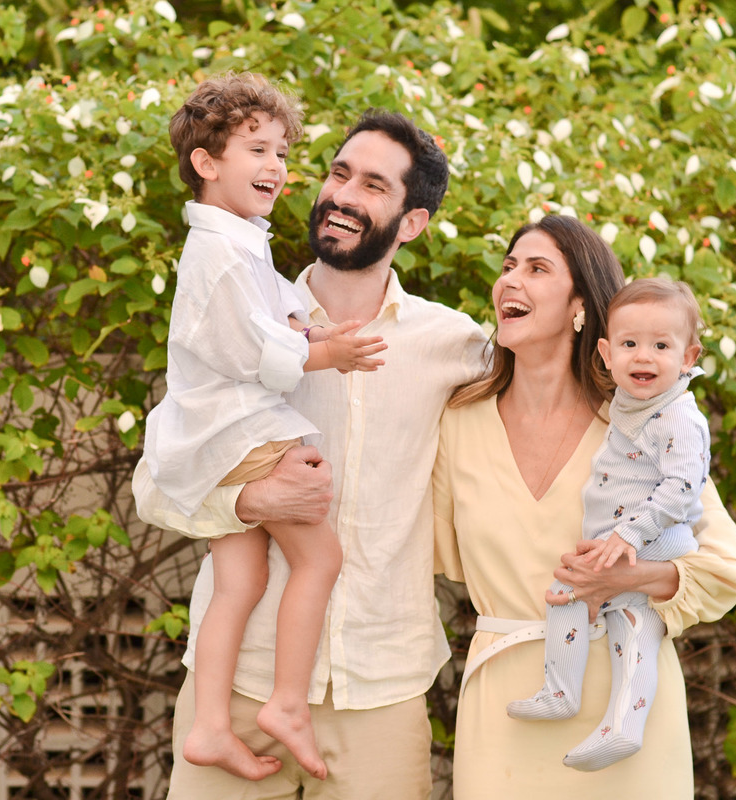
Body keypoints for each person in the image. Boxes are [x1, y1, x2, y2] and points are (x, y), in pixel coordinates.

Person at [132, 109, 488, 799]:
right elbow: (155, 481)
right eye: (338, 173)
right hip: (239, 681)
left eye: (373, 185)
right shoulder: (245, 311)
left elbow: (546, 406)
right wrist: (251, 500)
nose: (344, 195)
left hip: (380, 685)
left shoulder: (453, 344)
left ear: (412, 223)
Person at [433, 215, 736, 797]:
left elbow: (727, 570)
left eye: (537, 268)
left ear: (581, 307)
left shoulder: (642, 419)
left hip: (628, 710)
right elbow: (420, 553)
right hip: (505, 710)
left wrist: (626, 578)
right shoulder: (458, 421)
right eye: (508, 266)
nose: (511, 279)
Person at [145, 72, 389, 782]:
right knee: (320, 560)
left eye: (282, 152)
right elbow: (255, 352)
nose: (277, 167)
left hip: (218, 436)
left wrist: (306, 328)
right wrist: (327, 352)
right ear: (206, 162)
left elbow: (269, 318)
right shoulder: (220, 253)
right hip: (244, 431)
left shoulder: (238, 241)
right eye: (258, 150)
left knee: (241, 579)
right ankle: (287, 701)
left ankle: (210, 726)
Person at [506, 277, 710, 772]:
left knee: (577, 594)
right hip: (628, 537)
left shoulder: (678, 415)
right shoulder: (633, 403)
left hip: (653, 539)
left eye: (661, 346)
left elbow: (684, 488)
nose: (644, 357)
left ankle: (571, 697)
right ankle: (612, 721)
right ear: (606, 352)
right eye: (630, 344)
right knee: (627, 621)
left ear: (688, 357)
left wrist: (627, 535)